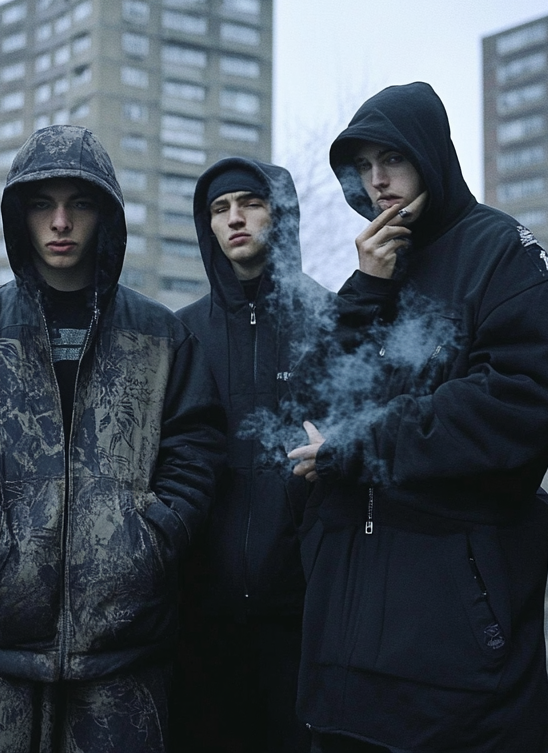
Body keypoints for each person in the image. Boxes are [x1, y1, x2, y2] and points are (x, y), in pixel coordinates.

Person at [289, 82, 548, 753]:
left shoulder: (497, 250)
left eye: (391, 158)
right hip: (345, 653)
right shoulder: (378, 265)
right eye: (363, 165)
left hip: (452, 662)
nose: (376, 180)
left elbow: (532, 387)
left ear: (431, 156)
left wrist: (367, 443)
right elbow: (310, 405)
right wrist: (365, 289)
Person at [0, 124, 226, 753]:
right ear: (20, 217)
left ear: (105, 217)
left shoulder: (161, 336)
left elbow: (196, 452)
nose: (60, 222)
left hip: (124, 658)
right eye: (42, 205)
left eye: (79, 204)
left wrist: (148, 541)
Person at [169, 158, 329, 753]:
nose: (234, 218)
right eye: (218, 208)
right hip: (202, 616)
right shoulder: (180, 333)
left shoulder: (332, 320)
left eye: (249, 202)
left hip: (306, 612)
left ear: (279, 214)